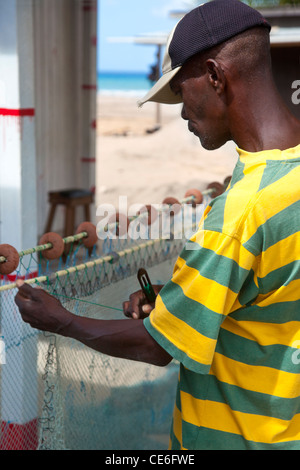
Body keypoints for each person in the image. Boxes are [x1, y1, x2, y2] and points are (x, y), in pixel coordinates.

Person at [15, 0, 300, 450]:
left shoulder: (242, 210)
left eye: (180, 93)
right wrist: (176, 300)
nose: (182, 113)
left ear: (214, 76)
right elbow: (268, 295)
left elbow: (156, 346)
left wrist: (61, 320)